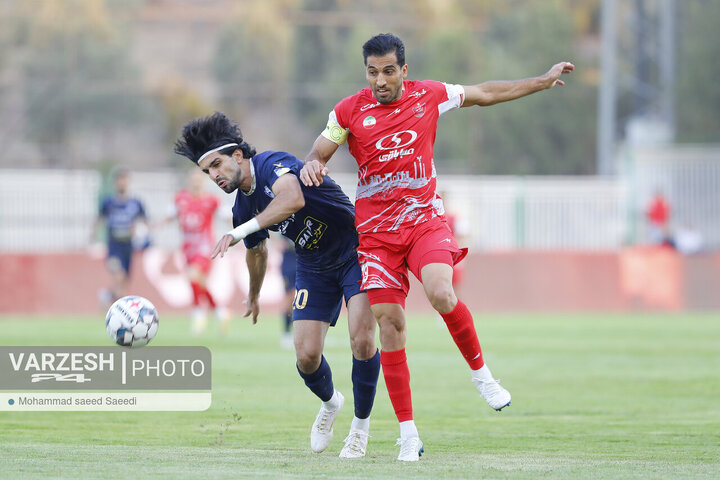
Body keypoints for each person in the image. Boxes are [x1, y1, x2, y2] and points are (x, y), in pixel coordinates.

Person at [300, 33, 574, 461]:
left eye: (389, 71)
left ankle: (482, 375)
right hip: (374, 235)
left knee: (441, 291)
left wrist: (540, 81)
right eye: (373, 73)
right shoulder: (348, 110)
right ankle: (408, 434)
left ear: (404, 71)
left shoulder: (431, 95)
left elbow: (484, 93)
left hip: (423, 222)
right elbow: (318, 153)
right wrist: (314, 163)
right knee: (389, 324)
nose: (381, 81)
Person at [174, 112, 380, 458]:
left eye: (217, 165)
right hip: (313, 265)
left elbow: (292, 200)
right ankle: (331, 403)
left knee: (362, 339)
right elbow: (257, 254)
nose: (213, 176)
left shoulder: (272, 163)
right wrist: (253, 296)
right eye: (207, 171)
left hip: (354, 249)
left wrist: (237, 232)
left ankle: (360, 428)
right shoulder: (242, 207)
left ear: (237, 155)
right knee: (306, 355)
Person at [158, 168, 229, 335]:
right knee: (197, 281)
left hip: (204, 247)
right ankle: (219, 311)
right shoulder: (180, 198)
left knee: (194, 276)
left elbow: (226, 217)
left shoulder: (212, 200)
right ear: (190, 181)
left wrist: (243, 229)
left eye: (199, 179)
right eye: (193, 179)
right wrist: (155, 225)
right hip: (188, 248)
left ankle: (198, 313)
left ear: (203, 182)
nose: (196, 182)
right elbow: (170, 216)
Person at [89, 167, 148, 308]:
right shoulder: (108, 203)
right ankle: (120, 313)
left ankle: (107, 296)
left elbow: (144, 222)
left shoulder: (136, 203)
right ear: (115, 182)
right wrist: (93, 236)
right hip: (113, 246)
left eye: (124, 180)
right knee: (118, 276)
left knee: (123, 283)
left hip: (128, 247)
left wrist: (141, 231)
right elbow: (99, 219)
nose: (122, 183)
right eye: (119, 180)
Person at [279, 237, 297, 349]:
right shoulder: (284, 220)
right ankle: (286, 333)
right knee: (290, 300)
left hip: (304, 260)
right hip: (289, 263)